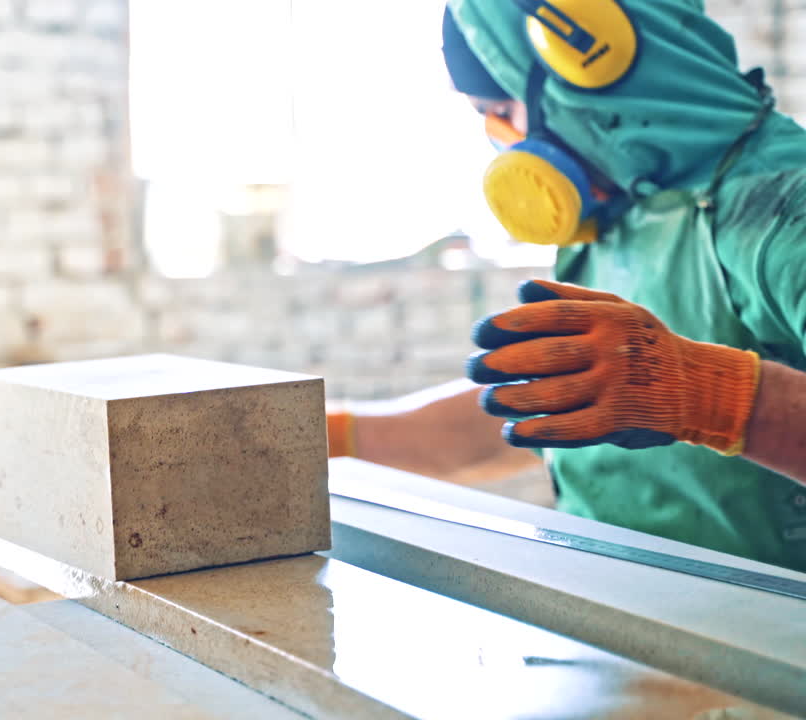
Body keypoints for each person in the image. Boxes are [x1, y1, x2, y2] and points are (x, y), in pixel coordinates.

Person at [330, 0, 806, 573]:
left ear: (590, 56)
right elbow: (550, 410)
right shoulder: (619, 215)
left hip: (772, 638)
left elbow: (664, 387)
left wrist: (708, 394)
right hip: (638, 613)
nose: (502, 139)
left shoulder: (785, 209)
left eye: (502, 108)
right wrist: (325, 439)